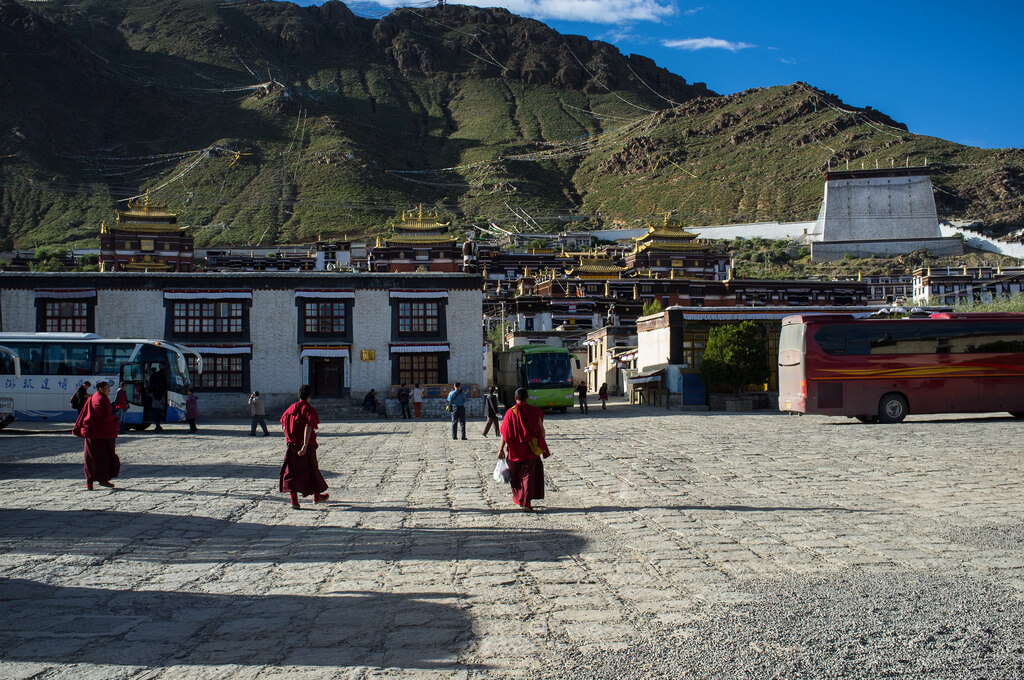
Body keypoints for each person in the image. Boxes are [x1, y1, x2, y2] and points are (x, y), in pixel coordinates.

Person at [498, 387, 550, 512]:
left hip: (514, 451)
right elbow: (541, 430)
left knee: (515, 476)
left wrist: (501, 449)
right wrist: (540, 443)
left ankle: (522, 500)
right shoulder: (534, 411)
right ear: (527, 398)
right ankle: (526, 501)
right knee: (527, 477)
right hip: (530, 451)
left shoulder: (510, 413)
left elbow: (504, 433)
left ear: (515, 398)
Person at [279, 384, 328, 509]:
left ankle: (294, 501)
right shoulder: (308, 409)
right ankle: (316, 496)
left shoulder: (290, 408)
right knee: (312, 469)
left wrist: (289, 438)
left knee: (292, 472)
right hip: (306, 446)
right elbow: (309, 425)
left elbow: (283, 424)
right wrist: (305, 446)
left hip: (292, 445)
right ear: (309, 396)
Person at [73, 381, 120, 490]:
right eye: (107, 388)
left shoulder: (94, 397)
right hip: (100, 433)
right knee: (105, 457)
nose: (109, 390)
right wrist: (114, 418)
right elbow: (103, 415)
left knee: (91, 458)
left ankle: (90, 481)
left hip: (92, 432)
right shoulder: (101, 399)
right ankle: (102, 479)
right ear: (100, 389)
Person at [148, 367, 167, 432]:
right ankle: (158, 427)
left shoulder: (154, 395)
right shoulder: (161, 395)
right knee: (158, 418)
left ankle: (158, 427)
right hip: (160, 408)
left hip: (154, 408)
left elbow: (150, 394)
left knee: (155, 418)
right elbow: (164, 402)